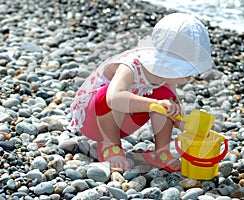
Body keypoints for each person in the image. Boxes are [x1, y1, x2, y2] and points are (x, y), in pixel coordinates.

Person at [69, 12, 212, 172]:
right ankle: (111, 146)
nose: (192, 74)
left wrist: (185, 125)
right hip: (94, 121)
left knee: (166, 98)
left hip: (124, 122)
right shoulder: (130, 66)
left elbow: (173, 105)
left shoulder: (165, 76)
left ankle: (161, 152)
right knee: (109, 93)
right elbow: (113, 98)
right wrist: (155, 104)